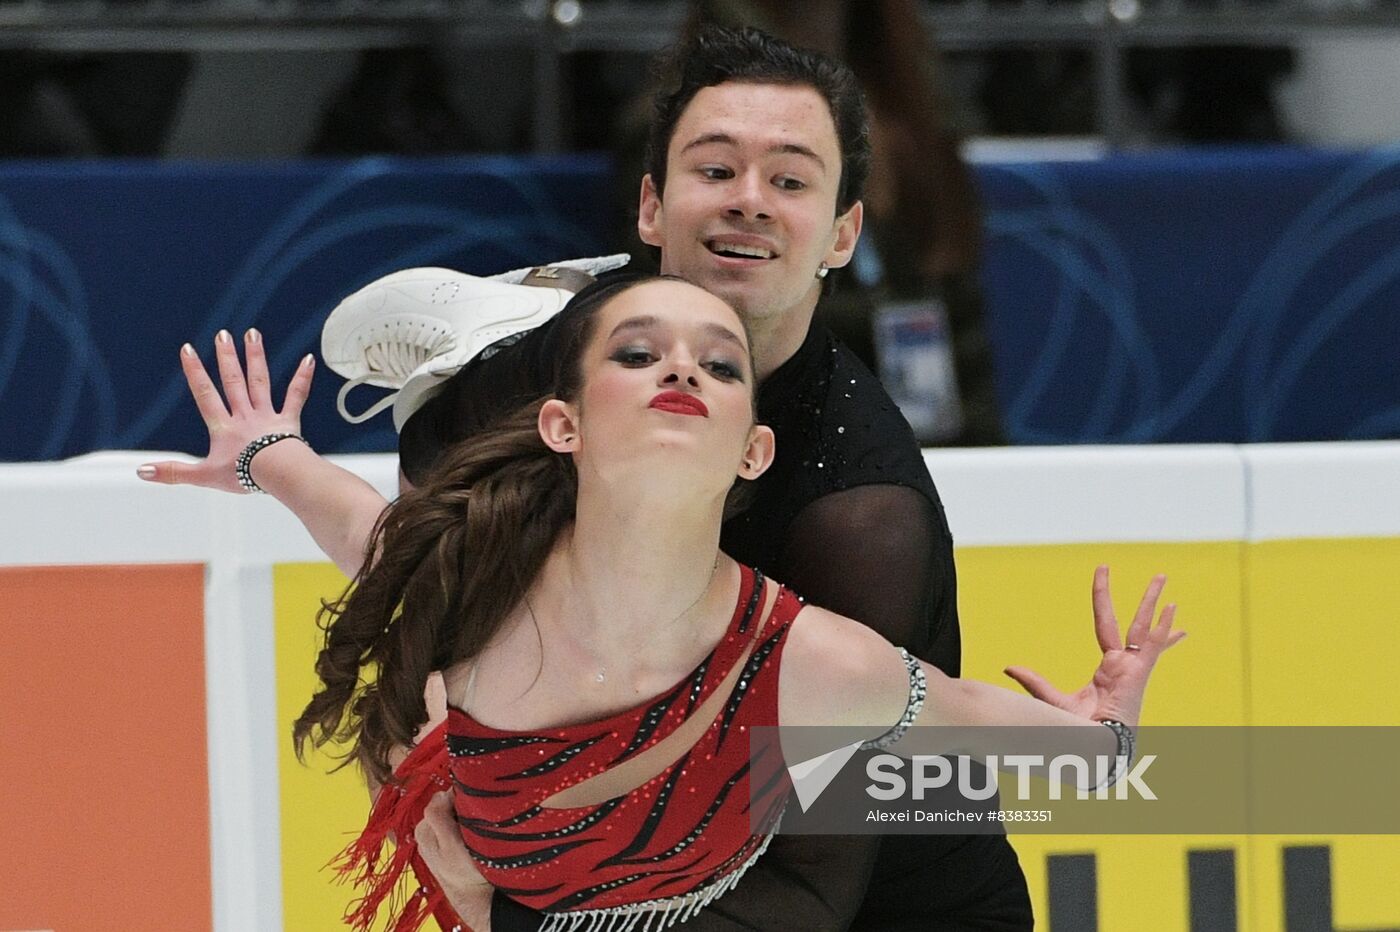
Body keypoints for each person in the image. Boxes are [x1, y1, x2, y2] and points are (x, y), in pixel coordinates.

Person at [144, 25, 1027, 931]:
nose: (750, 200)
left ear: (844, 232)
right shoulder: (555, 382)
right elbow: (415, 555)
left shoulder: (857, 515)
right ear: (650, 206)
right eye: (716, 170)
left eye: (791, 180)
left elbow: (812, 891)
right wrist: (272, 458)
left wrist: (501, 914)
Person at [146, 275, 1182, 932]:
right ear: (560, 423)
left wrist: (1105, 725)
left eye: (721, 363)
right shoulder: (475, 580)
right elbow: (357, 524)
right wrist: (263, 453)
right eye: (638, 353)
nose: (682, 363)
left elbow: (1018, 737)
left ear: (753, 447)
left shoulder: (817, 663)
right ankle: (501, 341)